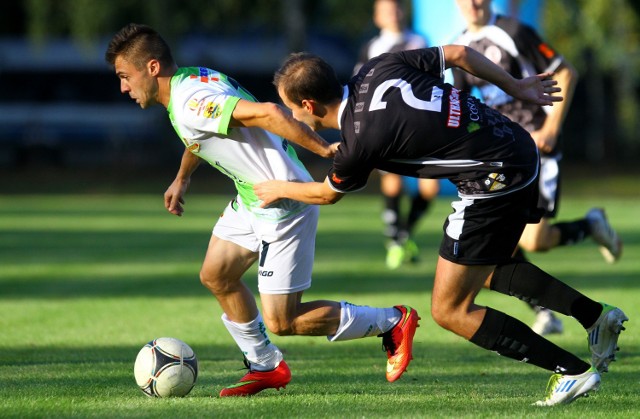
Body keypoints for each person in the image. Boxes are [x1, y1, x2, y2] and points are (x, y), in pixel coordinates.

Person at [254, 45, 628, 406]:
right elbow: (460, 54)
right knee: (482, 269)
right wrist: (515, 86)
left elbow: (326, 194)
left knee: (450, 309)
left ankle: (571, 372)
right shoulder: (378, 68)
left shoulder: (358, 140)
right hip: (518, 149)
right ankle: (595, 316)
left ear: (309, 105)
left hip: (492, 181)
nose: (293, 118)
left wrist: (276, 189)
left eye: (291, 109)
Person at [104, 23, 421, 397]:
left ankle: (392, 321)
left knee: (283, 320)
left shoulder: (189, 102)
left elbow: (270, 112)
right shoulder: (190, 82)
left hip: (282, 202)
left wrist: (323, 149)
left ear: (152, 68)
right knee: (216, 275)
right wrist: (182, 178)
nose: (123, 86)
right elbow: (203, 134)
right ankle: (266, 365)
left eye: (126, 76)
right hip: (252, 196)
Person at [452, 0, 623, 336]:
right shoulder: (461, 48)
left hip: (536, 149)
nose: (473, 4)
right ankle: (545, 312)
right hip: (502, 154)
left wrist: (552, 128)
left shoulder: (513, 31)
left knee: (534, 240)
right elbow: (463, 103)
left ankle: (589, 226)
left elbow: (565, 71)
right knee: (501, 240)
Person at [355, 0, 440, 269]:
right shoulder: (372, 47)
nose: (393, 13)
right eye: (386, 10)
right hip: (387, 125)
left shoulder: (420, 40)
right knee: (393, 183)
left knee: (430, 187)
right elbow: (359, 87)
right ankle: (395, 243)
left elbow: (433, 79)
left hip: (420, 124)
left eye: (397, 8)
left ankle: (401, 235)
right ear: (377, 17)